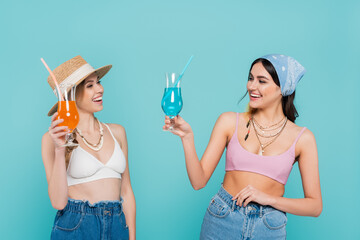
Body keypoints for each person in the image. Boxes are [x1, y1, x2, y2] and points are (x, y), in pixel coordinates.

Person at [163, 54, 322, 239]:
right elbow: (198, 182)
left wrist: (269, 199)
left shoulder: (303, 138)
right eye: (250, 78)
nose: (251, 86)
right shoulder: (229, 121)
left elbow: (315, 206)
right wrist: (187, 137)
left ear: (283, 89)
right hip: (222, 218)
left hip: (268, 227)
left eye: (262, 81)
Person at [41, 56, 135, 240]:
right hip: (77, 226)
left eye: (98, 83)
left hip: (117, 224)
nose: (100, 89)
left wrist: (132, 237)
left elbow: (126, 192)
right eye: (90, 85)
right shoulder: (50, 139)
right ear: (70, 95)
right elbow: (58, 202)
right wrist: (60, 149)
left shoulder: (117, 132)